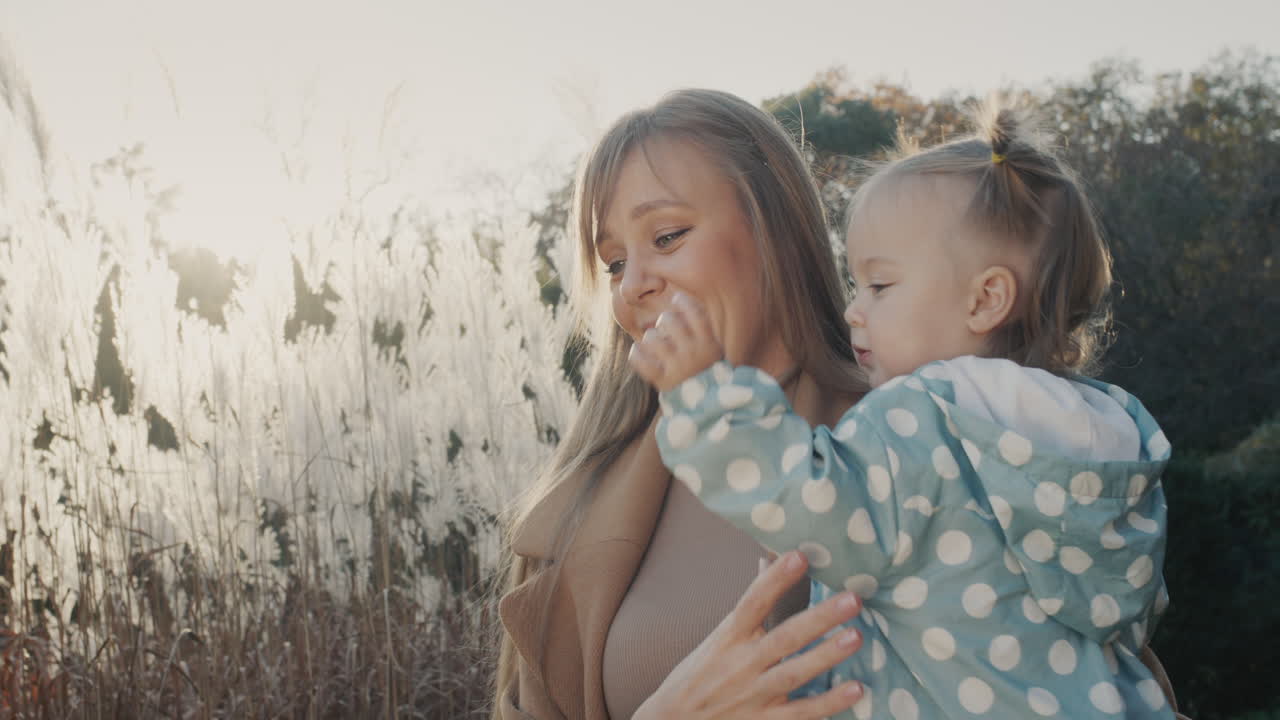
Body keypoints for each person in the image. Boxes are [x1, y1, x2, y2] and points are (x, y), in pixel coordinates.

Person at [631, 101, 1182, 718]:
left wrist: (708, 396)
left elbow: (814, 506)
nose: (853, 311)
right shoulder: (1110, 436)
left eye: (880, 286)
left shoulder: (921, 418)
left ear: (986, 300)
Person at [492, 88, 872, 720]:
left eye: (666, 236)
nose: (634, 283)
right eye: (613, 263)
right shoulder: (574, 507)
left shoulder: (910, 436)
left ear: (776, 230)